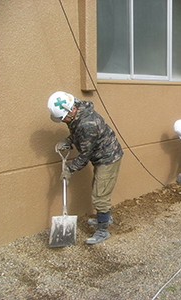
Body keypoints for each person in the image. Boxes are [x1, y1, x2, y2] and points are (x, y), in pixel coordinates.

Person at [47, 91, 123, 244]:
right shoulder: (77, 112)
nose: (63, 121)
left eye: (63, 118)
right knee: (98, 189)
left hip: (108, 158)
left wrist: (69, 170)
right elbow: (77, 133)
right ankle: (104, 217)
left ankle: (102, 230)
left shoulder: (87, 124)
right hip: (100, 155)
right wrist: (68, 139)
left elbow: (85, 155)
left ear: (70, 110)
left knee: (100, 195)